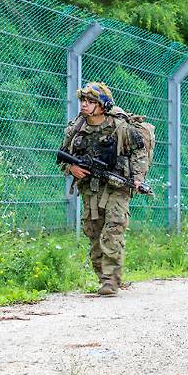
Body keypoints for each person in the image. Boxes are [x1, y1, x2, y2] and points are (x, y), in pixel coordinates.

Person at [58, 82, 149, 296]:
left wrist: (137, 178)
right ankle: (103, 277)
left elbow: (139, 152)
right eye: (83, 100)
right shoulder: (76, 129)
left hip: (117, 186)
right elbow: (62, 156)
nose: (85, 105)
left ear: (103, 105)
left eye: (91, 101)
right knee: (94, 233)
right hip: (91, 187)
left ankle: (111, 281)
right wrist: (72, 168)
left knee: (113, 230)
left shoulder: (120, 127)